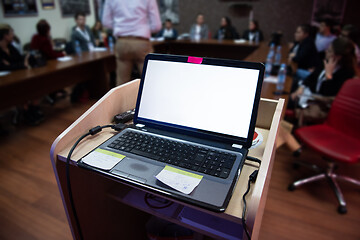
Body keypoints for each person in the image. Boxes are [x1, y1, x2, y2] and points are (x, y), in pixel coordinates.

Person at [102, 0, 161, 86]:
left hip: (122, 42)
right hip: (141, 41)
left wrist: (120, 27)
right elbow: (157, 25)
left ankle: (122, 99)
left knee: (122, 83)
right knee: (149, 80)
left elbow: (106, 22)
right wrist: (144, 29)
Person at [291, 37, 356, 105]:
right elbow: (311, 77)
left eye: (330, 51)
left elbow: (327, 94)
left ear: (338, 56)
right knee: (289, 86)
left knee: (283, 101)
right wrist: (301, 87)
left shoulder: (346, 74)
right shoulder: (326, 62)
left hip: (317, 104)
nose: (326, 51)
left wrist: (328, 75)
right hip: (307, 94)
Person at [288, 24, 319, 92]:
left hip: (307, 72)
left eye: (298, 32)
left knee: (289, 73)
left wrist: (293, 57)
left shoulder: (308, 43)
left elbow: (298, 58)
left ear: (306, 34)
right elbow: (290, 52)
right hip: (300, 67)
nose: (295, 34)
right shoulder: (299, 42)